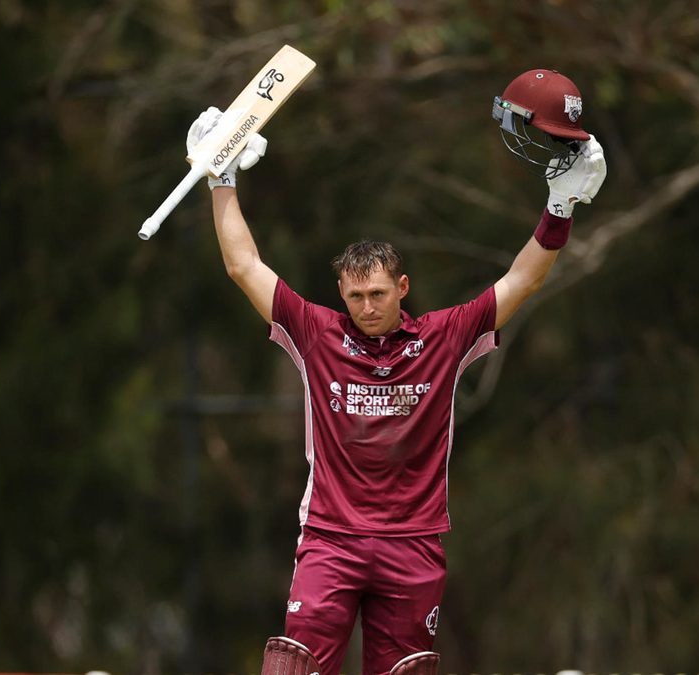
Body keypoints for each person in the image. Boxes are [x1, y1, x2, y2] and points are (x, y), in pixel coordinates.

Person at [192, 69, 606, 675]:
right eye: (356, 296)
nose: (367, 307)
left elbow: (523, 278)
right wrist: (221, 178)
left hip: (412, 544)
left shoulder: (444, 336)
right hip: (330, 539)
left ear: (402, 288)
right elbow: (243, 266)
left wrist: (559, 208)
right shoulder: (314, 330)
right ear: (340, 292)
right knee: (296, 666)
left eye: (379, 294)